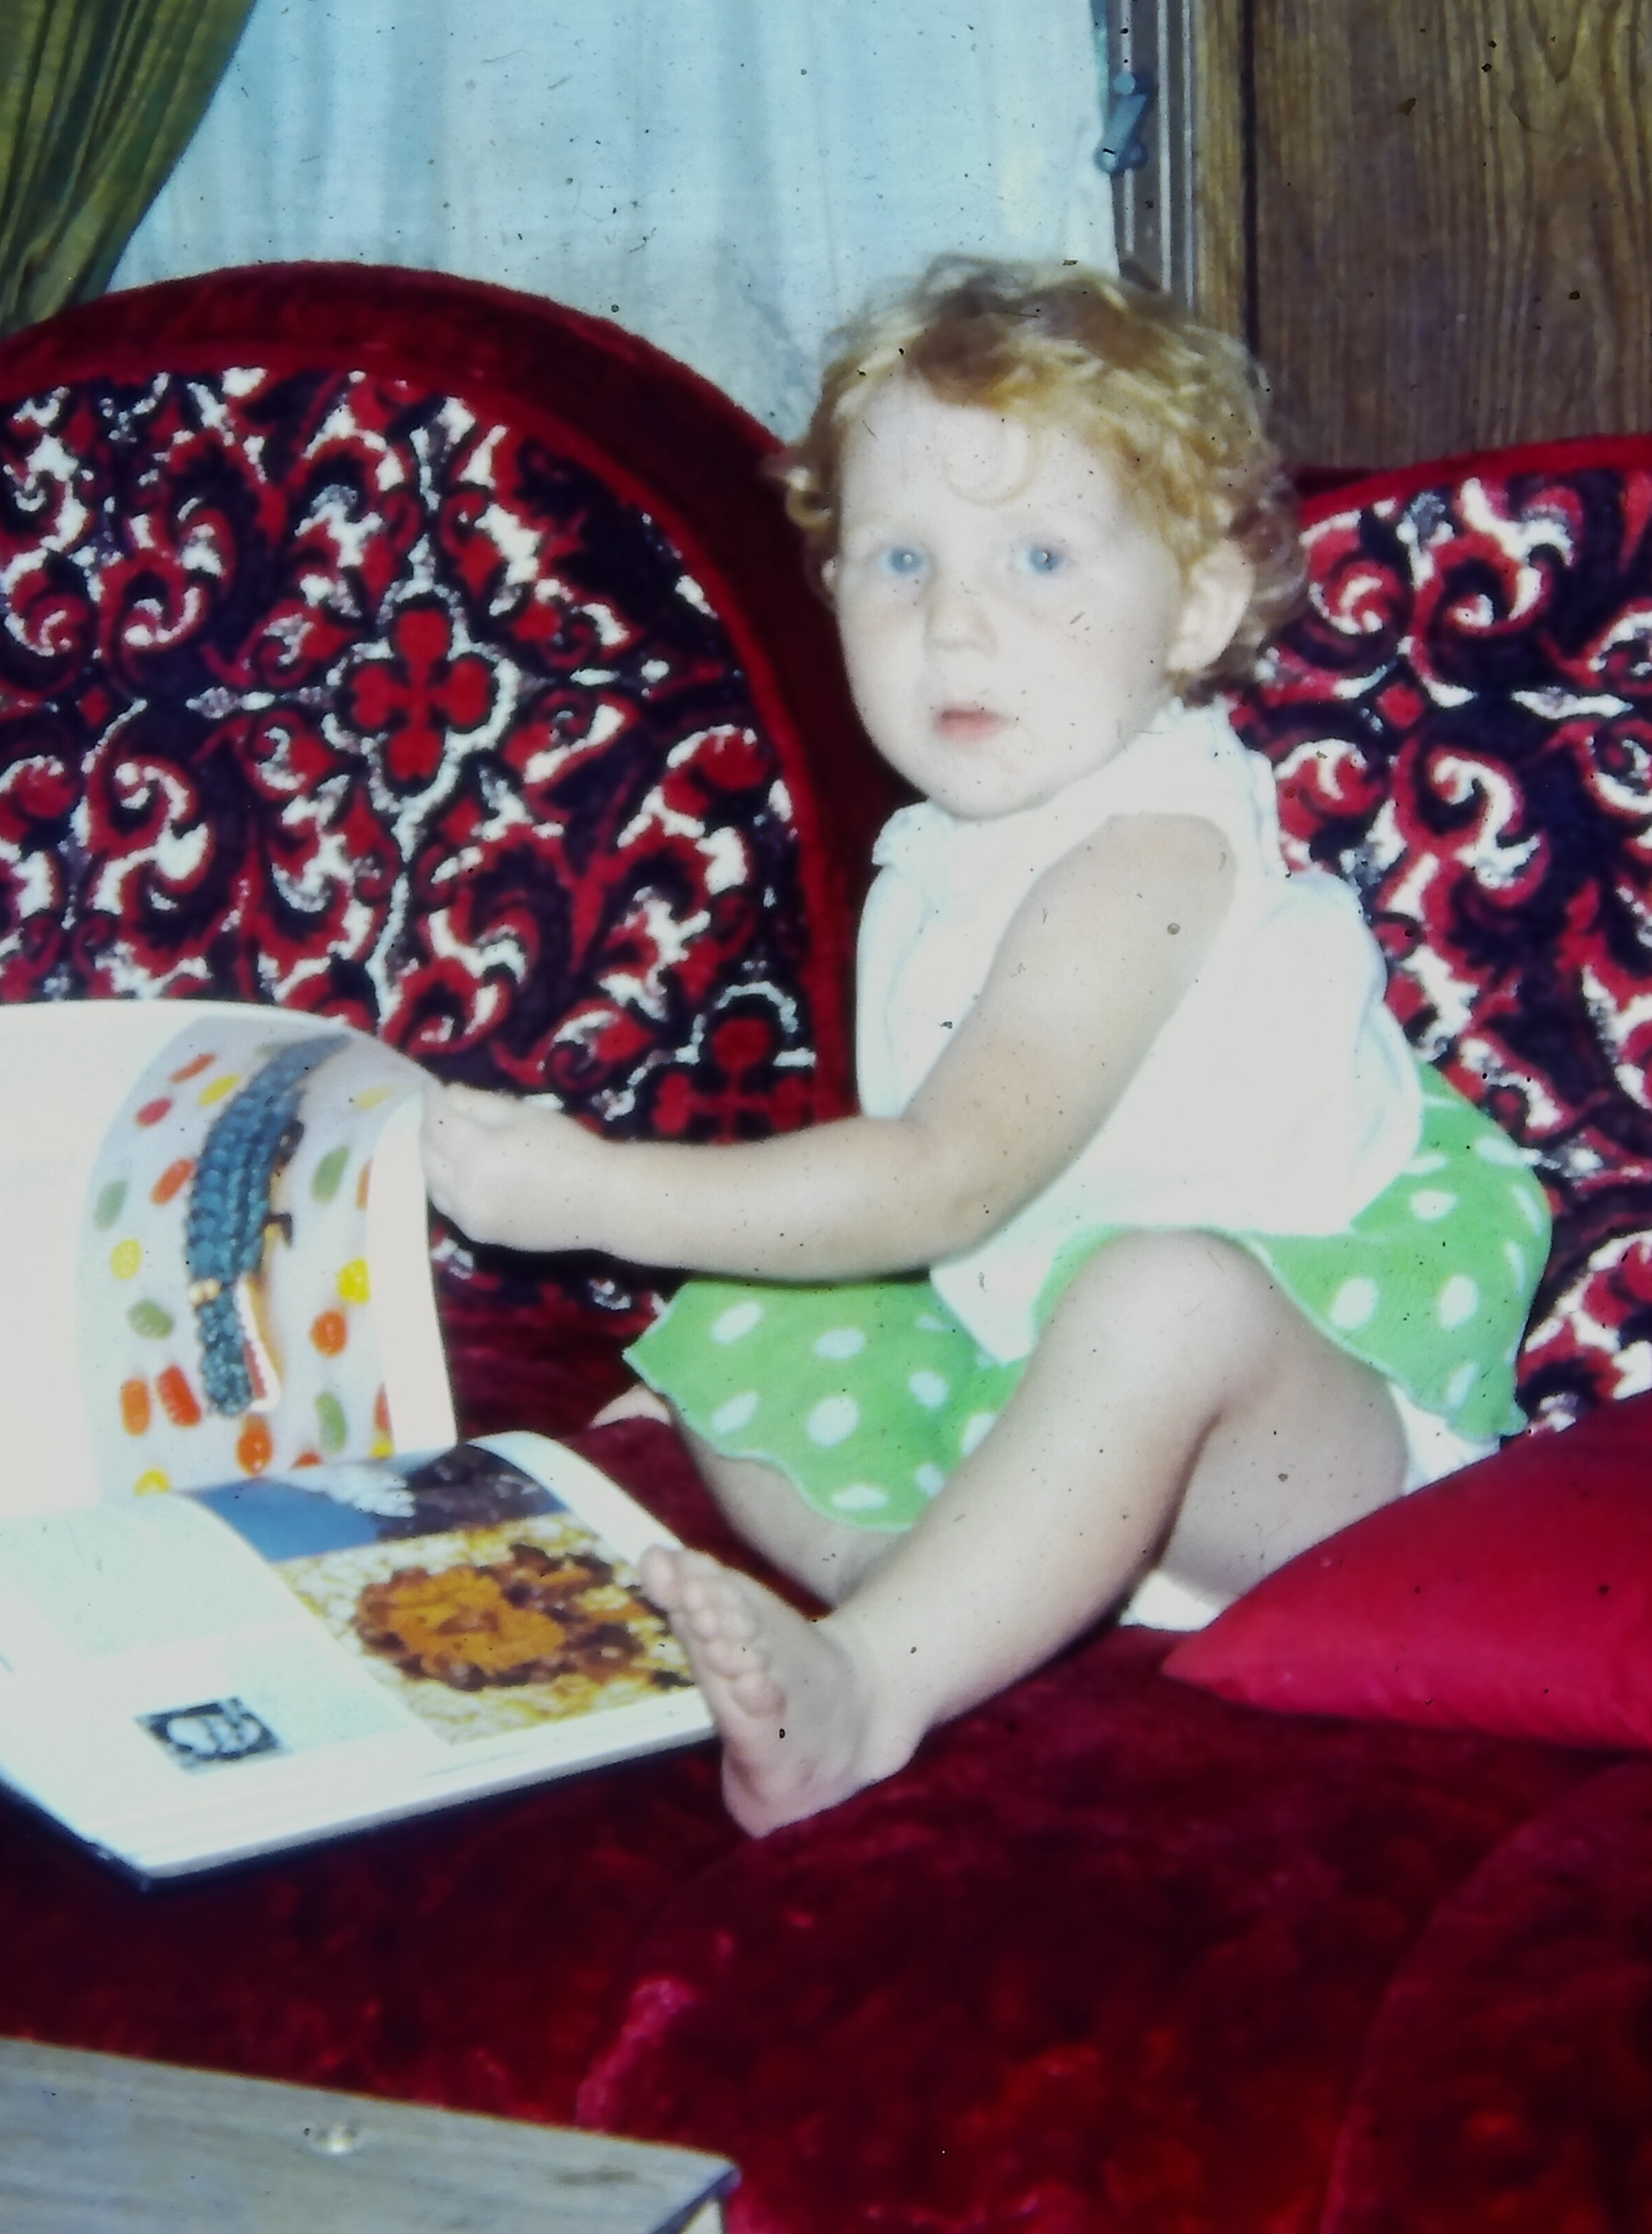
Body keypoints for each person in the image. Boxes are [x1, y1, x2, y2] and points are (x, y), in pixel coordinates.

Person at [420, 259, 1547, 1833]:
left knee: (1161, 1296)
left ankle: (873, 1684)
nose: (954, 622)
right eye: (899, 559)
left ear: (1195, 608)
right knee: (737, 1313)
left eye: (1038, 556)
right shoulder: (957, 840)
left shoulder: (1141, 855)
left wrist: (592, 1193)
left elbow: (944, 1178)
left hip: (1304, 1428)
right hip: (1035, 1357)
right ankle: (980, 1586)